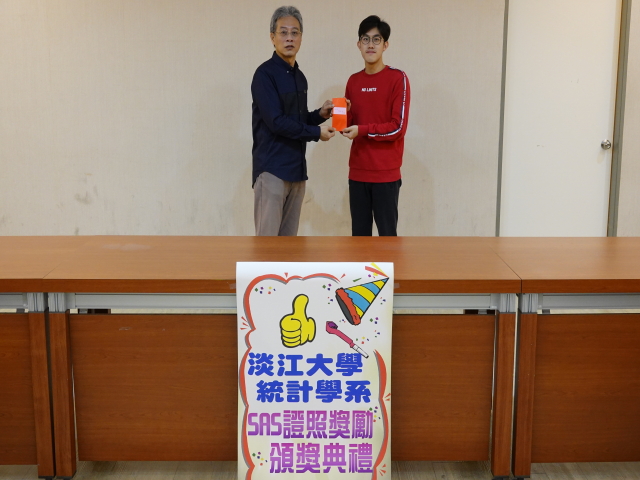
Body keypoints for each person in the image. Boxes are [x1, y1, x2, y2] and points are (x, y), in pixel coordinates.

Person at [251, 6, 335, 236]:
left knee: (289, 249)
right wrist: (317, 133)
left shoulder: (300, 77)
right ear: (272, 37)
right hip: (272, 172)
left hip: (297, 173)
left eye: (295, 32)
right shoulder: (264, 75)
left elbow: (297, 120)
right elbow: (276, 122)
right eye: (283, 32)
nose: (289, 38)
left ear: (301, 38)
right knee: (268, 248)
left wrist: (320, 115)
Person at [342, 15, 411, 236]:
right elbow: (347, 127)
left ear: (385, 45)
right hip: (357, 174)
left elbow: (397, 128)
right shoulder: (353, 81)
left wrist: (362, 130)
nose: (370, 45)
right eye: (365, 39)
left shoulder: (397, 78)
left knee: (387, 240)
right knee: (359, 240)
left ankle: (386, 265)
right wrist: (341, 113)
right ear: (358, 44)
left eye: (376, 39)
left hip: (386, 176)